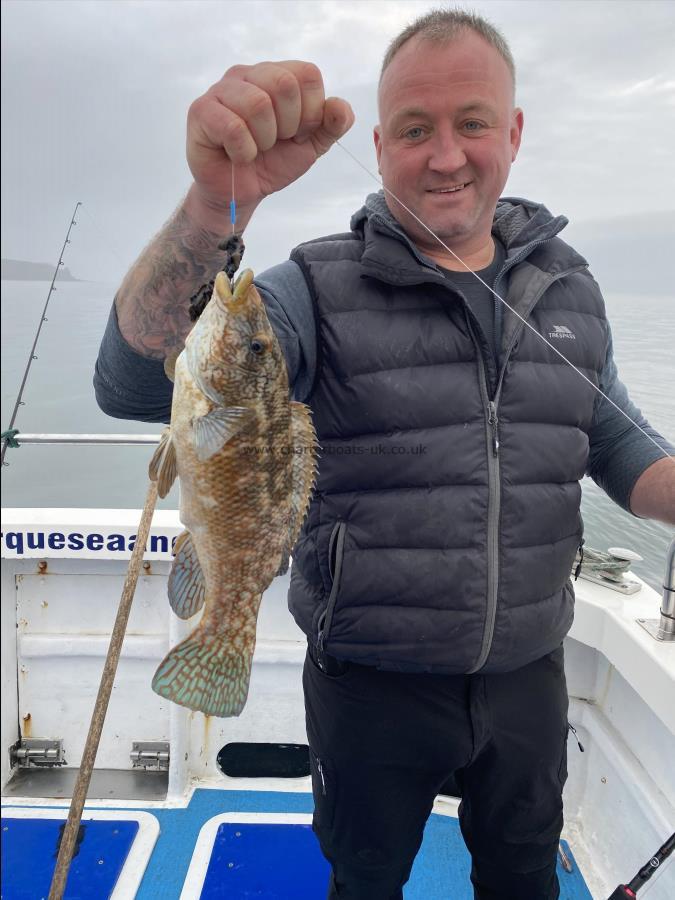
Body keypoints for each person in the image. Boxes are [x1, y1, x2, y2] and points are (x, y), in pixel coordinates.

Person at [94, 8, 675, 899]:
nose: (445, 155)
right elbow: (138, 386)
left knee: (523, 875)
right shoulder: (313, 289)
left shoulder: (568, 287)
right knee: (364, 879)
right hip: (370, 685)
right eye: (414, 130)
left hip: (528, 678)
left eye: (471, 123)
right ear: (379, 142)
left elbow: (619, 442)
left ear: (511, 133)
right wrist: (214, 206)